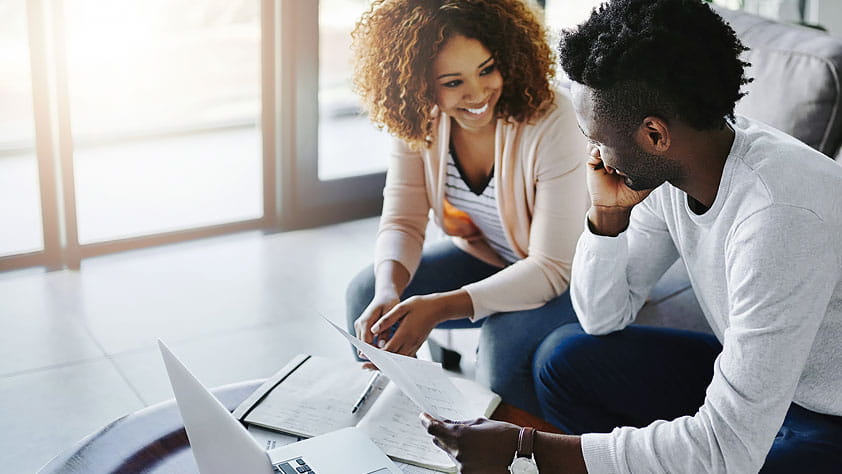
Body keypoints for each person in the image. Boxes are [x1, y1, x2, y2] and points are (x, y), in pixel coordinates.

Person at [421, 0, 842, 472]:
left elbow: (727, 449)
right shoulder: (679, 164)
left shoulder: (777, 216)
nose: (594, 155)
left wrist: (527, 447)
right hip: (767, 385)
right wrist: (605, 216)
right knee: (565, 359)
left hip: (828, 417)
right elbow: (602, 317)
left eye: (596, 137)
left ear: (655, 135)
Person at [345, 0, 589, 415]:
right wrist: (390, 288)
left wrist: (439, 306)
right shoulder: (420, 118)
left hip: (574, 277)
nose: (477, 94)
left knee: (501, 342)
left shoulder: (554, 118)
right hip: (497, 258)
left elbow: (552, 267)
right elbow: (403, 220)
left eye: (487, 69)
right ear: (420, 85)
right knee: (367, 292)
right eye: (453, 82)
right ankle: (393, 427)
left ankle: (502, 454)